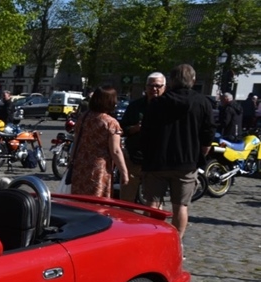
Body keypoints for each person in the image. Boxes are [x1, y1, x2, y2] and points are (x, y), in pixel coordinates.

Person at [141, 64, 215, 243]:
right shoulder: (202, 102)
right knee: (180, 206)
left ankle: (152, 240)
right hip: (186, 161)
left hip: (158, 160)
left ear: (171, 81)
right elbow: (208, 132)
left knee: (153, 203)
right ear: (193, 80)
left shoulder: (158, 103)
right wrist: (203, 149)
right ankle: (176, 242)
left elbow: (146, 132)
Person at [69, 85, 128, 198]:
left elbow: (76, 142)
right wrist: (124, 172)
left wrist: (71, 160)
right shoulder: (110, 123)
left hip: (80, 165)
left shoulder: (83, 117)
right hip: (99, 167)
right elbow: (115, 151)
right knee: (97, 201)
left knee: (79, 201)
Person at [119, 72, 166, 202]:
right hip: (134, 158)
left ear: (164, 87)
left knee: (154, 202)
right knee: (126, 199)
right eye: (150, 85)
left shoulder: (168, 107)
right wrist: (135, 128)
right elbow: (122, 129)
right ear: (145, 87)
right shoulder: (135, 106)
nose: (154, 89)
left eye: (158, 86)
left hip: (156, 162)